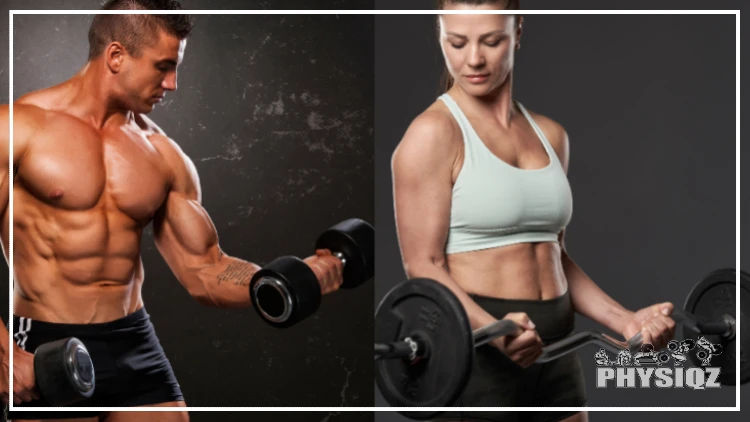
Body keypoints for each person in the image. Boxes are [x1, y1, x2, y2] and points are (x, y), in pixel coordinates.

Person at [0, 0, 345, 420]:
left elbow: (206, 269)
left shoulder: (163, 155)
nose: (173, 83)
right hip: (47, 345)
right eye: (163, 66)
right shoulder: (18, 128)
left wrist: (288, 280)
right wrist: (4, 354)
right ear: (115, 56)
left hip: (131, 339)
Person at [390, 1, 676, 420]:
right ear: (440, 33)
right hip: (480, 352)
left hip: (557, 346)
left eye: (491, 40)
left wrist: (626, 320)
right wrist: (493, 331)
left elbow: (553, 255)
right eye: (456, 42)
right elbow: (423, 264)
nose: (473, 59)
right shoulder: (432, 133)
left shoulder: (551, 136)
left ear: (518, 31)